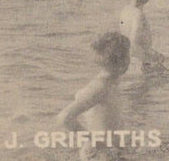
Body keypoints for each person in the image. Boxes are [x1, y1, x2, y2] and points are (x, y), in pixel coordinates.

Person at [55, 32, 131, 160]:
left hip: (109, 151)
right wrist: (95, 142)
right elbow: (64, 117)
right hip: (99, 154)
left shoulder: (110, 83)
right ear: (123, 61)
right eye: (128, 55)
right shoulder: (100, 88)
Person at [118, 0, 169, 74]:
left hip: (130, 64)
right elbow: (133, 46)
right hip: (141, 65)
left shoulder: (125, 11)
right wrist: (160, 60)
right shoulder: (138, 15)